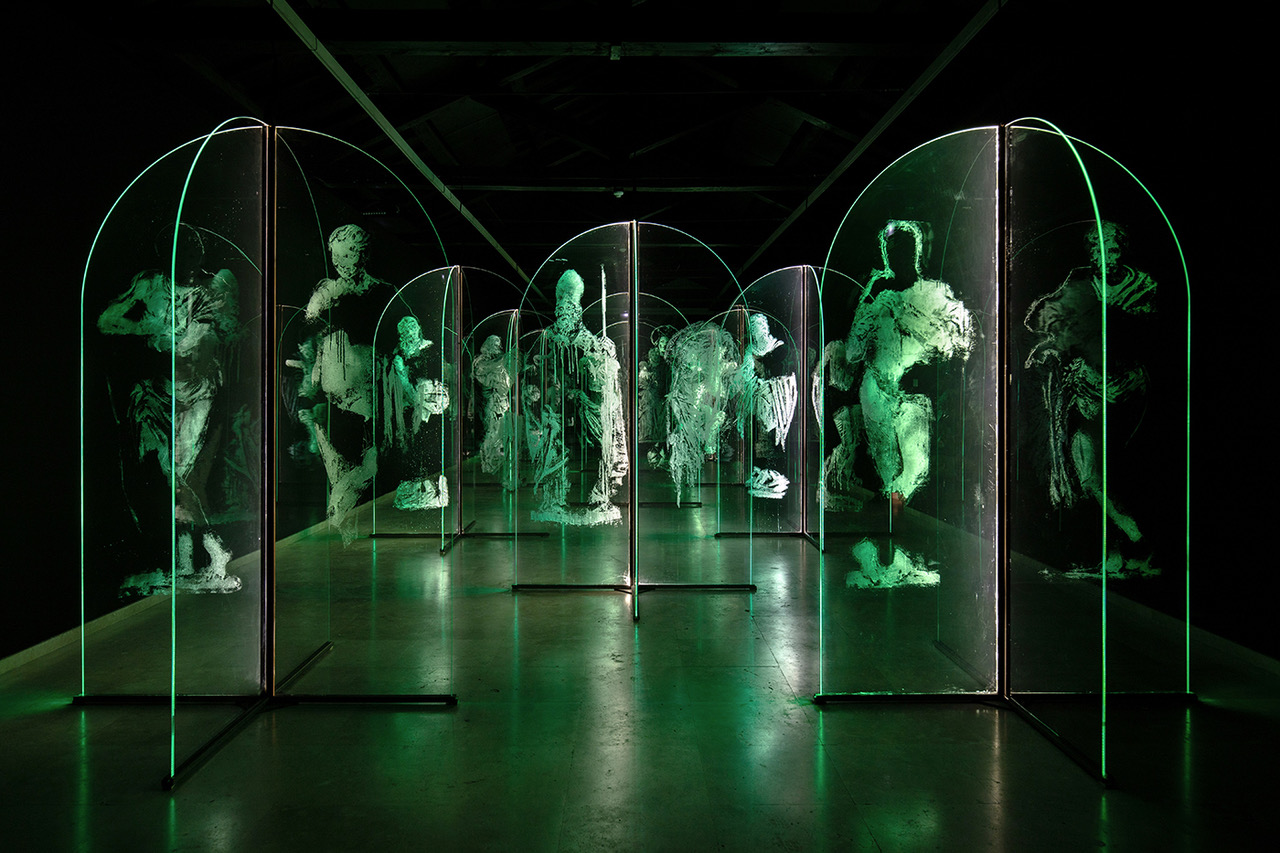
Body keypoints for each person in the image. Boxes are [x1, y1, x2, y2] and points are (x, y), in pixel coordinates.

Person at [98, 226, 242, 594]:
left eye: (194, 249)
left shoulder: (213, 287)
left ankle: (213, 553)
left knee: (183, 476)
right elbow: (107, 320)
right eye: (181, 250)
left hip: (198, 392)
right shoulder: (149, 284)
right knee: (167, 477)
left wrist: (201, 329)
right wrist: (151, 328)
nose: (190, 257)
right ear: (166, 254)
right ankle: (187, 562)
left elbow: (223, 333)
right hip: (159, 394)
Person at [1024, 221, 1157, 578]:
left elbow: (1141, 336)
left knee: (1117, 468)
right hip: (1089, 388)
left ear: (1122, 251)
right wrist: (1053, 344)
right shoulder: (1081, 283)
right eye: (1098, 250)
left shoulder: (1142, 288)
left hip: (1127, 389)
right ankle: (1125, 543)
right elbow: (1042, 318)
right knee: (1087, 472)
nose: (1105, 257)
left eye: (1112, 249)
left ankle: (1133, 546)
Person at [296, 224, 391, 542]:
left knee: (370, 462)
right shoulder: (326, 292)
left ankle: (346, 520)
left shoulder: (382, 292)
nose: (340, 263)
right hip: (333, 392)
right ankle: (344, 532)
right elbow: (307, 326)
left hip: (369, 392)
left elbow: (394, 337)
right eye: (335, 257)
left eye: (347, 255)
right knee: (337, 464)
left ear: (363, 255)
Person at [521, 268, 628, 525]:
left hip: (584, 407)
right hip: (556, 409)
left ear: (577, 311)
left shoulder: (590, 342)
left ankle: (600, 496)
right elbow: (533, 374)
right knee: (554, 450)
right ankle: (554, 499)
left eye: (570, 308)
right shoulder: (547, 339)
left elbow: (603, 377)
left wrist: (604, 357)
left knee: (599, 446)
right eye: (561, 307)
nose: (564, 312)